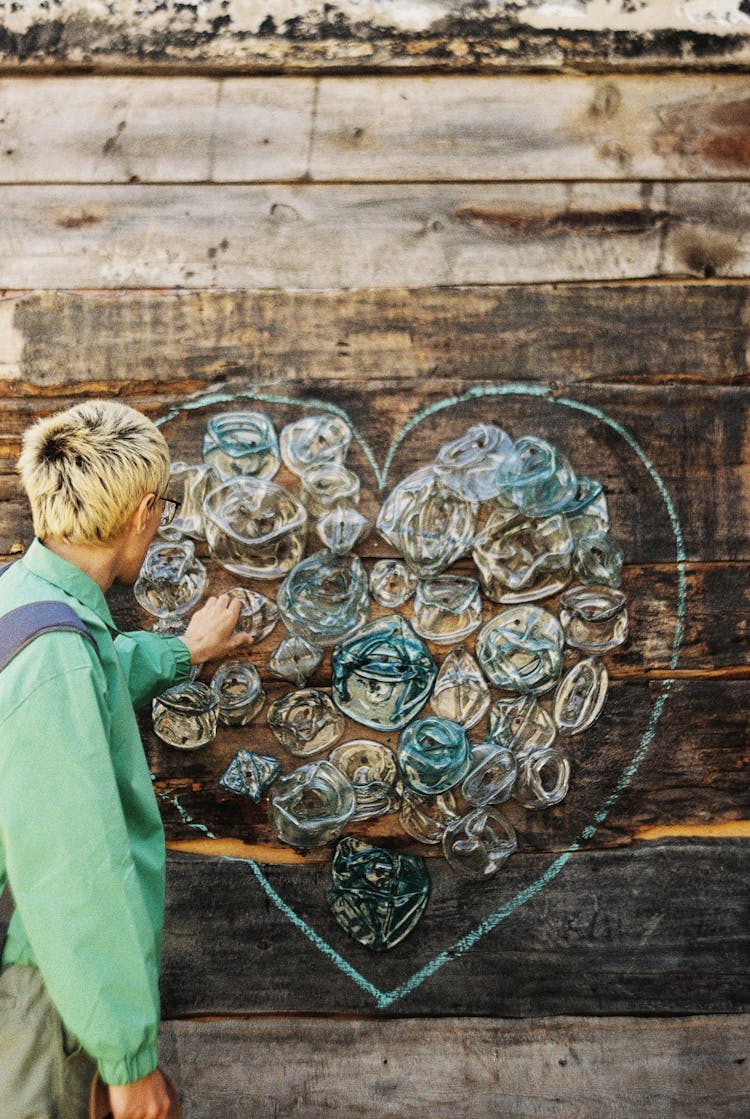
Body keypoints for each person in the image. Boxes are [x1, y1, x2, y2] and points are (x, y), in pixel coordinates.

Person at [0, 400, 253, 1119]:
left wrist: (183, 651)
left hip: (49, 969)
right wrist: (127, 1056)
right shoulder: (52, 659)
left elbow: (94, 671)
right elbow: (72, 868)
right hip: (44, 980)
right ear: (144, 511)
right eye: (165, 506)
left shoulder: (25, 599)